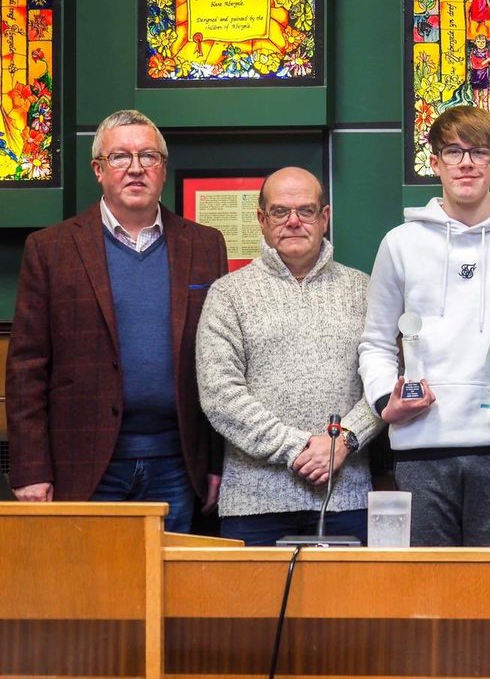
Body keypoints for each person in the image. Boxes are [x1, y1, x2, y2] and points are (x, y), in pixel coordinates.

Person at [5, 109, 226, 531]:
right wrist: (31, 468)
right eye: (120, 157)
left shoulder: (204, 245)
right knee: (87, 575)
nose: (135, 168)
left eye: (148, 156)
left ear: (163, 168)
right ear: (98, 170)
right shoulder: (51, 249)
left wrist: (216, 462)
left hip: (179, 464)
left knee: (171, 575)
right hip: (82, 465)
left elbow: (221, 363)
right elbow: (26, 369)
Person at [358, 106, 490, 546]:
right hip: (421, 450)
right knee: (425, 586)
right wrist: (385, 402)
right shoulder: (399, 244)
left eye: (478, 151)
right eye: (453, 151)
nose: (466, 163)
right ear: (435, 162)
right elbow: (375, 343)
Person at [196, 167, 384, 546]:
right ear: (262, 220)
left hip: (346, 500)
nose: (293, 221)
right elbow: (220, 394)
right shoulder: (228, 295)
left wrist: (345, 439)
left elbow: (385, 382)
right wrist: (296, 448)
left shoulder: (363, 289)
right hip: (253, 505)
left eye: (306, 210)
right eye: (280, 211)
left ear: (325, 217)